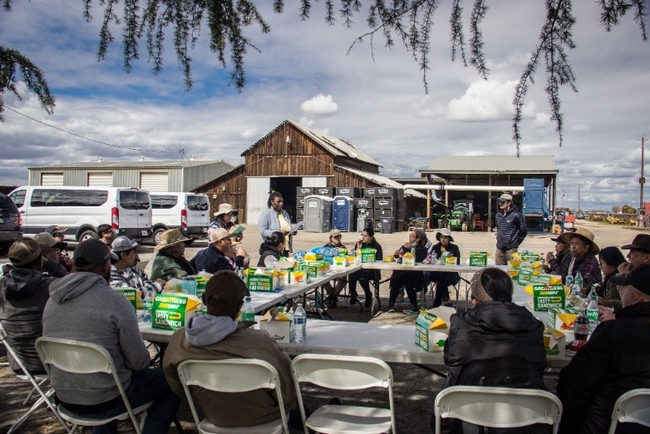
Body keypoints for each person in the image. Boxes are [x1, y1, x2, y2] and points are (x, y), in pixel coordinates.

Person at [42, 240, 181, 434]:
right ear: (105, 265)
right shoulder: (115, 300)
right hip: (108, 399)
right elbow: (139, 363)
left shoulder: (52, 300)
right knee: (173, 378)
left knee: (104, 380)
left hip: (65, 397)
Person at [163, 270, 298, 429]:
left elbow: (176, 384)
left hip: (215, 417)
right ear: (240, 306)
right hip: (265, 418)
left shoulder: (179, 340)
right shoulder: (259, 343)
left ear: (205, 299)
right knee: (297, 409)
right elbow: (288, 390)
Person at [438, 267, 547, 433]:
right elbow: (539, 365)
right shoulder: (532, 323)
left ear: (475, 299)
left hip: (469, 410)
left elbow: (451, 360)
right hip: (524, 414)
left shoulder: (461, 323)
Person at [557, 264, 650, 434]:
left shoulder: (615, 331)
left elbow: (575, 383)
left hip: (609, 423)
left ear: (637, 297)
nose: (621, 293)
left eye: (624, 289)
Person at [0, 239, 53, 375]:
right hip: (52, 361)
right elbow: (71, 285)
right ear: (39, 261)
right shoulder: (50, 286)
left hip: (19, 363)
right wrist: (50, 264)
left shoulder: (2, 286)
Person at [387, 229, 429, 314]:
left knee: (409, 283)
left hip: (415, 275)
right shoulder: (405, 246)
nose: (410, 237)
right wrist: (397, 254)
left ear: (418, 239)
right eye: (410, 235)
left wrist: (412, 249)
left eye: (413, 236)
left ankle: (414, 306)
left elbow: (419, 260)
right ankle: (391, 304)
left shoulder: (423, 249)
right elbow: (399, 258)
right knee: (396, 280)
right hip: (403, 273)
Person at [348, 227, 383, 308]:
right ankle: (352, 293)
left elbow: (379, 261)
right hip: (360, 269)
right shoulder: (360, 244)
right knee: (351, 274)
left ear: (371, 237)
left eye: (365, 236)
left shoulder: (377, 246)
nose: (363, 238)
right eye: (362, 235)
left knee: (361, 276)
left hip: (372, 271)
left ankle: (368, 294)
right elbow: (356, 259)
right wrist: (358, 248)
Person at [561, 228, 602, 293]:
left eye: (576, 244)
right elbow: (562, 274)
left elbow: (581, 284)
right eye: (571, 244)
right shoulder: (570, 257)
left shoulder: (590, 261)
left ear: (586, 247)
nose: (572, 247)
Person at [427, 228, 461, 307]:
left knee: (441, 279)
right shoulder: (435, 247)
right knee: (440, 277)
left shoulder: (454, 248)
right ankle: (446, 300)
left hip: (451, 274)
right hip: (436, 273)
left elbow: (458, 261)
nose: (443, 240)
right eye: (442, 237)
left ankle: (437, 303)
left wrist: (449, 259)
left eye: (445, 238)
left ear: (449, 239)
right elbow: (431, 260)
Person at [495, 193, 527, 265]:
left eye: (502, 202)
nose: (500, 204)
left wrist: (515, 242)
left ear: (509, 203)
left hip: (511, 249)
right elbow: (498, 228)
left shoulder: (517, 215)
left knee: (511, 271)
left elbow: (524, 231)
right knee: (498, 272)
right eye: (499, 202)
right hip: (499, 248)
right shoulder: (498, 215)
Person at [322, 229, 348, 308]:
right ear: (331, 238)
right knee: (322, 279)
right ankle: (332, 296)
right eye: (335, 237)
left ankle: (332, 296)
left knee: (343, 278)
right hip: (329, 269)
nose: (337, 238)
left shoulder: (343, 248)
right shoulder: (326, 247)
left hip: (340, 269)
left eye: (339, 237)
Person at [597, 246, 627, 312]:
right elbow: (600, 287)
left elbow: (608, 304)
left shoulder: (615, 281)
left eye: (601, 263)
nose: (600, 266)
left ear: (612, 264)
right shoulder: (609, 277)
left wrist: (606, 302)